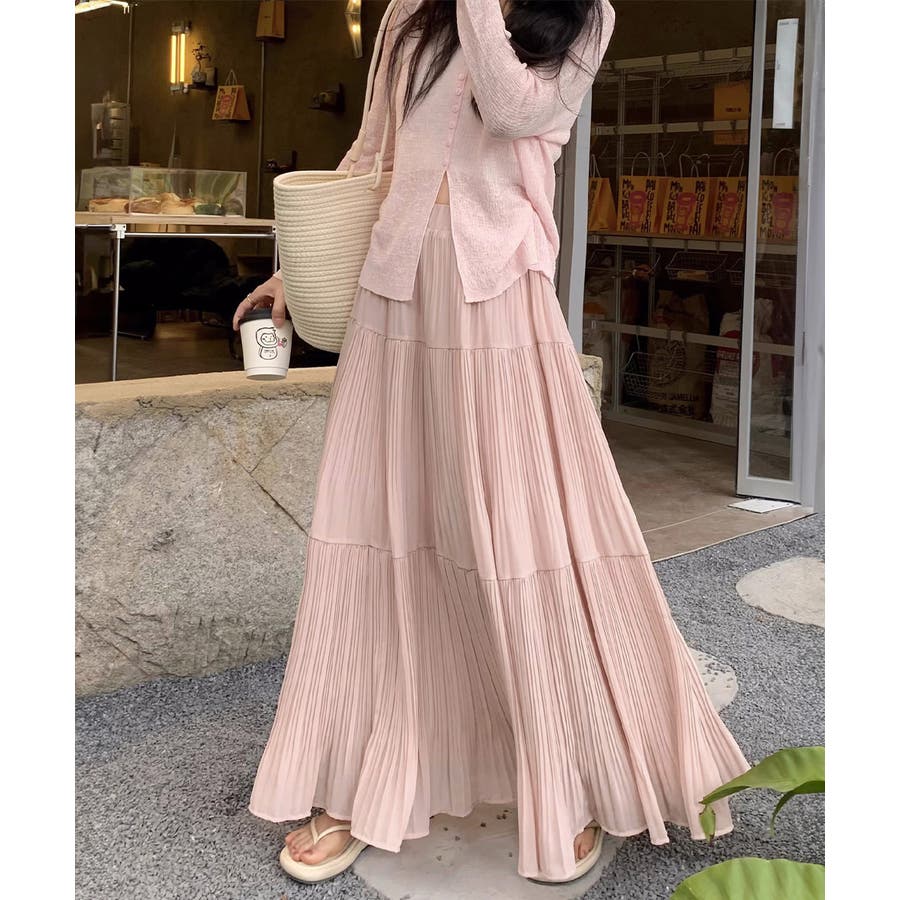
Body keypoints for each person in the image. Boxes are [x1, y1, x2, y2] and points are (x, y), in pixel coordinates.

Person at [233, 0, 750, 886]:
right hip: (393, 290)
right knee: (383, 529)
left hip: (497, 294)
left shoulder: (583, 18)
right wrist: (298, 263)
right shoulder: (409, 11)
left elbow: (515, 111)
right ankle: (363, 774)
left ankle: (565, 772)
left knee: (521, 534)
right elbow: (372, 152)